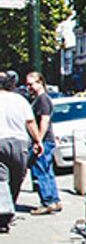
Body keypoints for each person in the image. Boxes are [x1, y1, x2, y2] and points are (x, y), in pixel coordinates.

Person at [0, 71, 42, 232]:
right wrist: (38, 140)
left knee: (1, 179)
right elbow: (30, 122)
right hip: (20, 143)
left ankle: (4, 212)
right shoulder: (20, 100)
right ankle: (7, 210)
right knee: (17, 178)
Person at [25, 72, 62, 215]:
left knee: (40, 171)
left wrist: (38, 140)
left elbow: (44, 121)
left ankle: (47, 202)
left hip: (44, 141)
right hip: (46, 140)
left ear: (40, 83)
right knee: (47, 171)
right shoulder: (39, 99)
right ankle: (54, 200)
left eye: (31, 84)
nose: (29, 87)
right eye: (27, 85)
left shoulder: (42, 100)